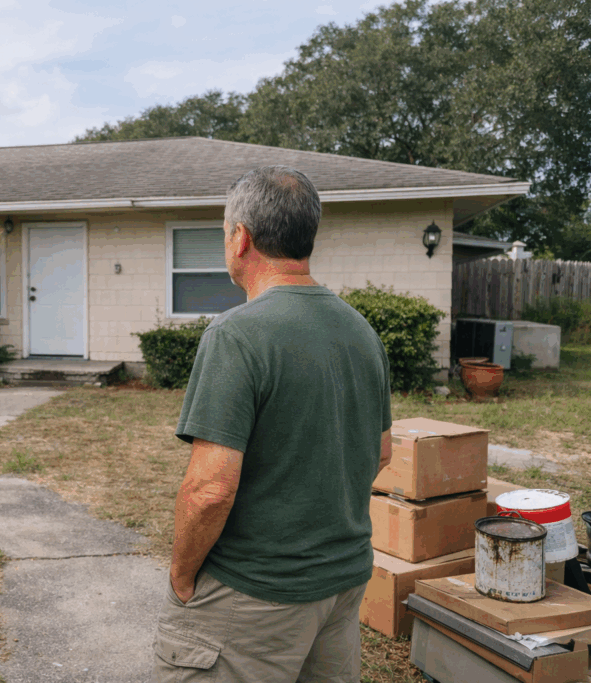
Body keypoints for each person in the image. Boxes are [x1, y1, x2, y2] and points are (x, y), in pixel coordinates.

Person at [151, 166, 393, 683]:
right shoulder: (361, 332)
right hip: (342, 585)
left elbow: (209, 490)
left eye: (223, 231)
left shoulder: (237, 335)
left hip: (255, 595)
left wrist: (180, 575)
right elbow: (382, 452)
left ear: (241, 238)